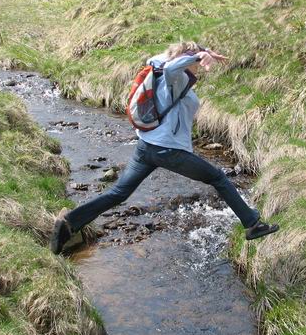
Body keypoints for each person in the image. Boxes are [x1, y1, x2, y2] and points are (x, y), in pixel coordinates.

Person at [49, 41, 279, 254]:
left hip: (147, 147)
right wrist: (197, 56)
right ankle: (252, 224)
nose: (198, 67)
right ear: (184, 59)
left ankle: (70, 223)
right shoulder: (172, 76)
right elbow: (172, 65)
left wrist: (205, 51)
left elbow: (169, 57)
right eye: (193, 60)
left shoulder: (158, 66)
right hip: (168, 151)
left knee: (119, 193)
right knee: (218, 178)